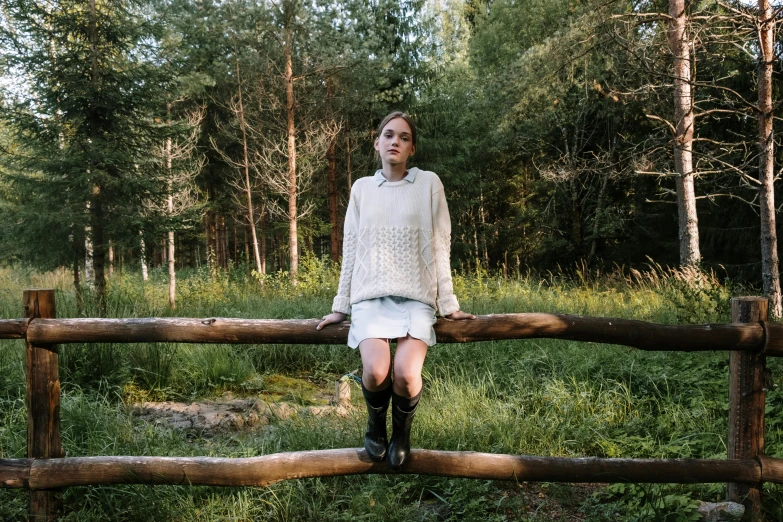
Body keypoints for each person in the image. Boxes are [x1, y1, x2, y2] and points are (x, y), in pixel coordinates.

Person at [317, 111, 475, 468]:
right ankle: (375, 427)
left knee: (405, 373)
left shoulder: (429, 184)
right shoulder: (361, 189)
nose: (395, 142)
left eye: (404, 138)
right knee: (375, 371)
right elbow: (352, 248)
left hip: (417, 298)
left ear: (412, 148)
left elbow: (440, 245)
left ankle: (401, 433)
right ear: (377, 143)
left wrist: (448, 303)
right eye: (389, 135)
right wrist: (341, 305)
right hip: (370, 298)